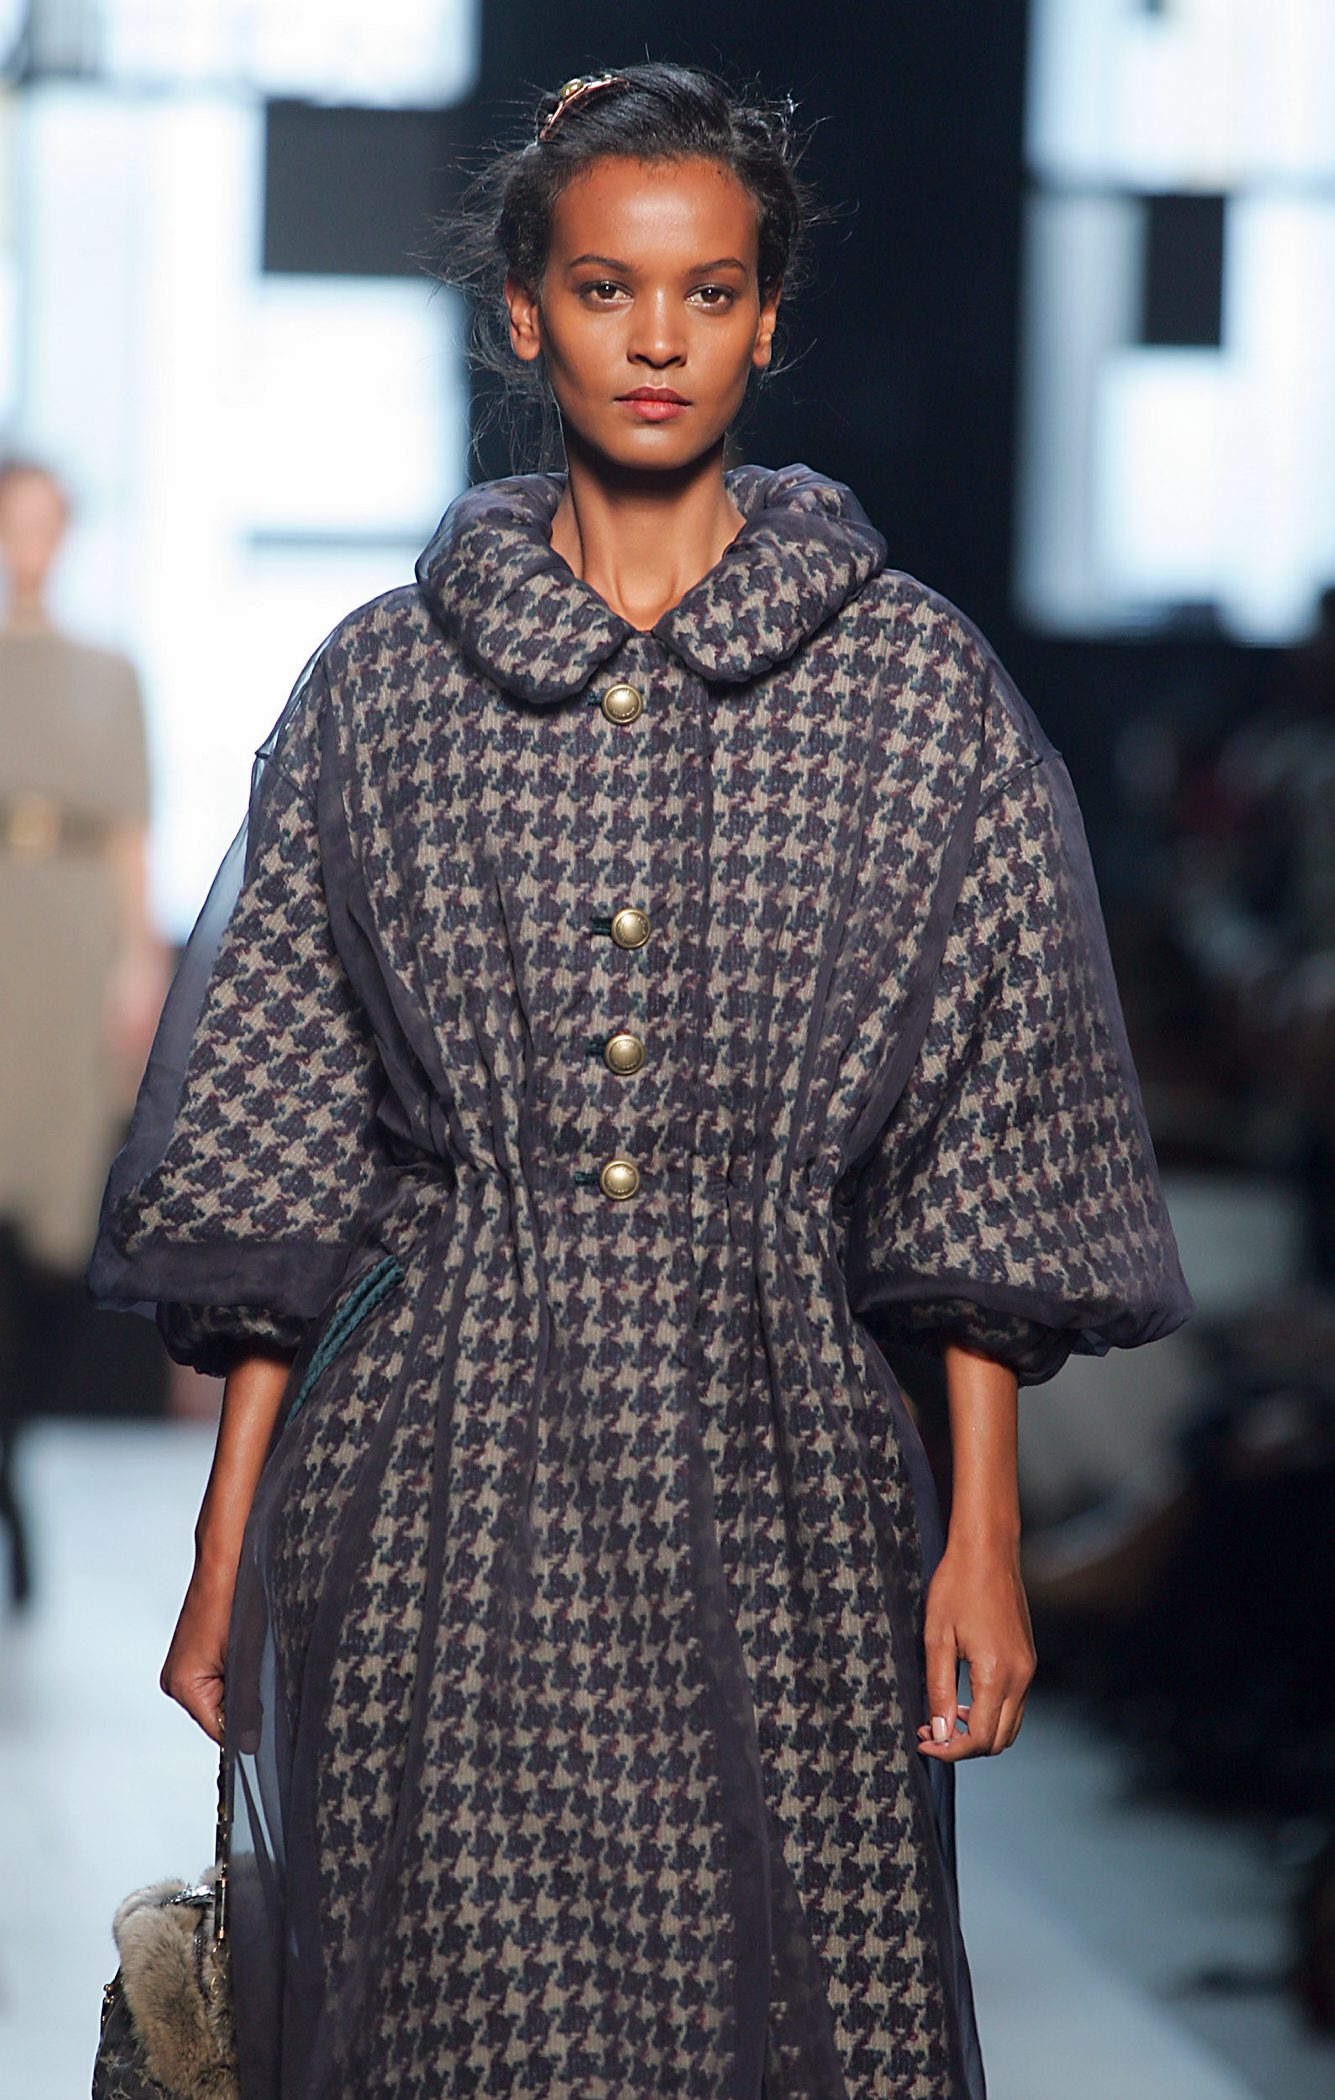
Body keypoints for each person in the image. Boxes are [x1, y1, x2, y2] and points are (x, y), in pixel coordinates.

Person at [89, 64, 1194, 2100]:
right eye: (607, 289)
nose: (659, 339)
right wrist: (228, 1545)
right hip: (436, 1473)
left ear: (769, 318)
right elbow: (280, 1136)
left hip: (785, 1476)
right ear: (526, 311)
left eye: (708, 292)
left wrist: (984, 1537)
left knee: (790, 2024)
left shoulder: (908, 690)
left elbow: (986, 1138)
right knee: (458, 2030)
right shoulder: (384, 687)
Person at [0, 456, 161, 1605]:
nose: (32, 540)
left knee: (58, 1227)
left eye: (47, 521)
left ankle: (8, 1453)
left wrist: (139, 964)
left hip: (67, 949)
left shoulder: (110, 673)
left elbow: (129, 837)